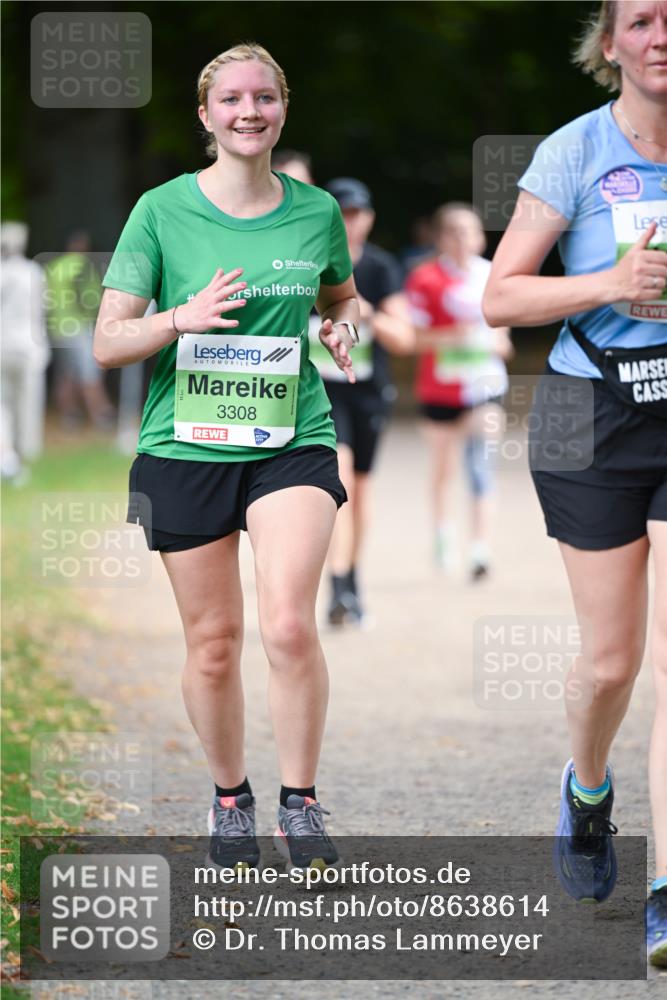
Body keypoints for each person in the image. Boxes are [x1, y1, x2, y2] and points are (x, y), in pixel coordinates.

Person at [94, 43, 360, 873]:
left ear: (283, 108)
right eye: (233, 100)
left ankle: (302, 805)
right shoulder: (159, 210)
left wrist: (340, 325)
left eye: (265, 98)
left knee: (286, 622)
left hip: (291, 437)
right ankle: (229, 796)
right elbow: (108, 342)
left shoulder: (315, 211)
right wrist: (181, 317)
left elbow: (340, 295)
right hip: (185, 444)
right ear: (206, 115)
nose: (250, 112)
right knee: (213, 641)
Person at [482, 0, 667, 967]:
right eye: (639, 20)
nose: (659, 35)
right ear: (609, 45)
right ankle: (586, 789)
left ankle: (666, 892)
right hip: (584, 407)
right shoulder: (574, 151)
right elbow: (498, 296)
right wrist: (609, 285)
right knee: (611, 663)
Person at [308, 178, 414, 625]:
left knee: (361, 494)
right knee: (342, 482)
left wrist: (361, 310)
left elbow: (406, 338)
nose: (352, 222)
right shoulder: (308, 263)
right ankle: (336, 589)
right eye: (344, 214)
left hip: (368, 394)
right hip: (322, 393)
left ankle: (351, 582)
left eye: (359, 214)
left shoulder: (382, 268)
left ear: (370, 218)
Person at [405, 203, 512, 579]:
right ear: (441, 237)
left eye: (471, 231)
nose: (464, 239)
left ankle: (481, 549)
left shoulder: (495, 275)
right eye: (455, 232)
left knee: (482, 464)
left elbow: (505, 340)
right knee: (444, 469)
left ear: (481, 236)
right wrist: (454, 337)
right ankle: (442, 534)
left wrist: (490, 342)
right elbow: (414, 339)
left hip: (486, 386)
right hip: (440, 389)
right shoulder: (424, 279)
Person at [45, 231, 114, 430]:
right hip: (78, 326)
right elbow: (90, 299)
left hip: (58, 328)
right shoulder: (83, 267)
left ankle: (70, 416)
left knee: (66, 374)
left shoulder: (54, 267)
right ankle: (102, 415)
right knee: (90, 372)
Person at [0, 222, 50, 482]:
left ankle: (7, 456)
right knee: (25, 405)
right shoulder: (33, 271)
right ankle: (17, 456)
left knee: (3, 405)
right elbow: (42, 309)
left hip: (4, 346)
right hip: (29, 348)